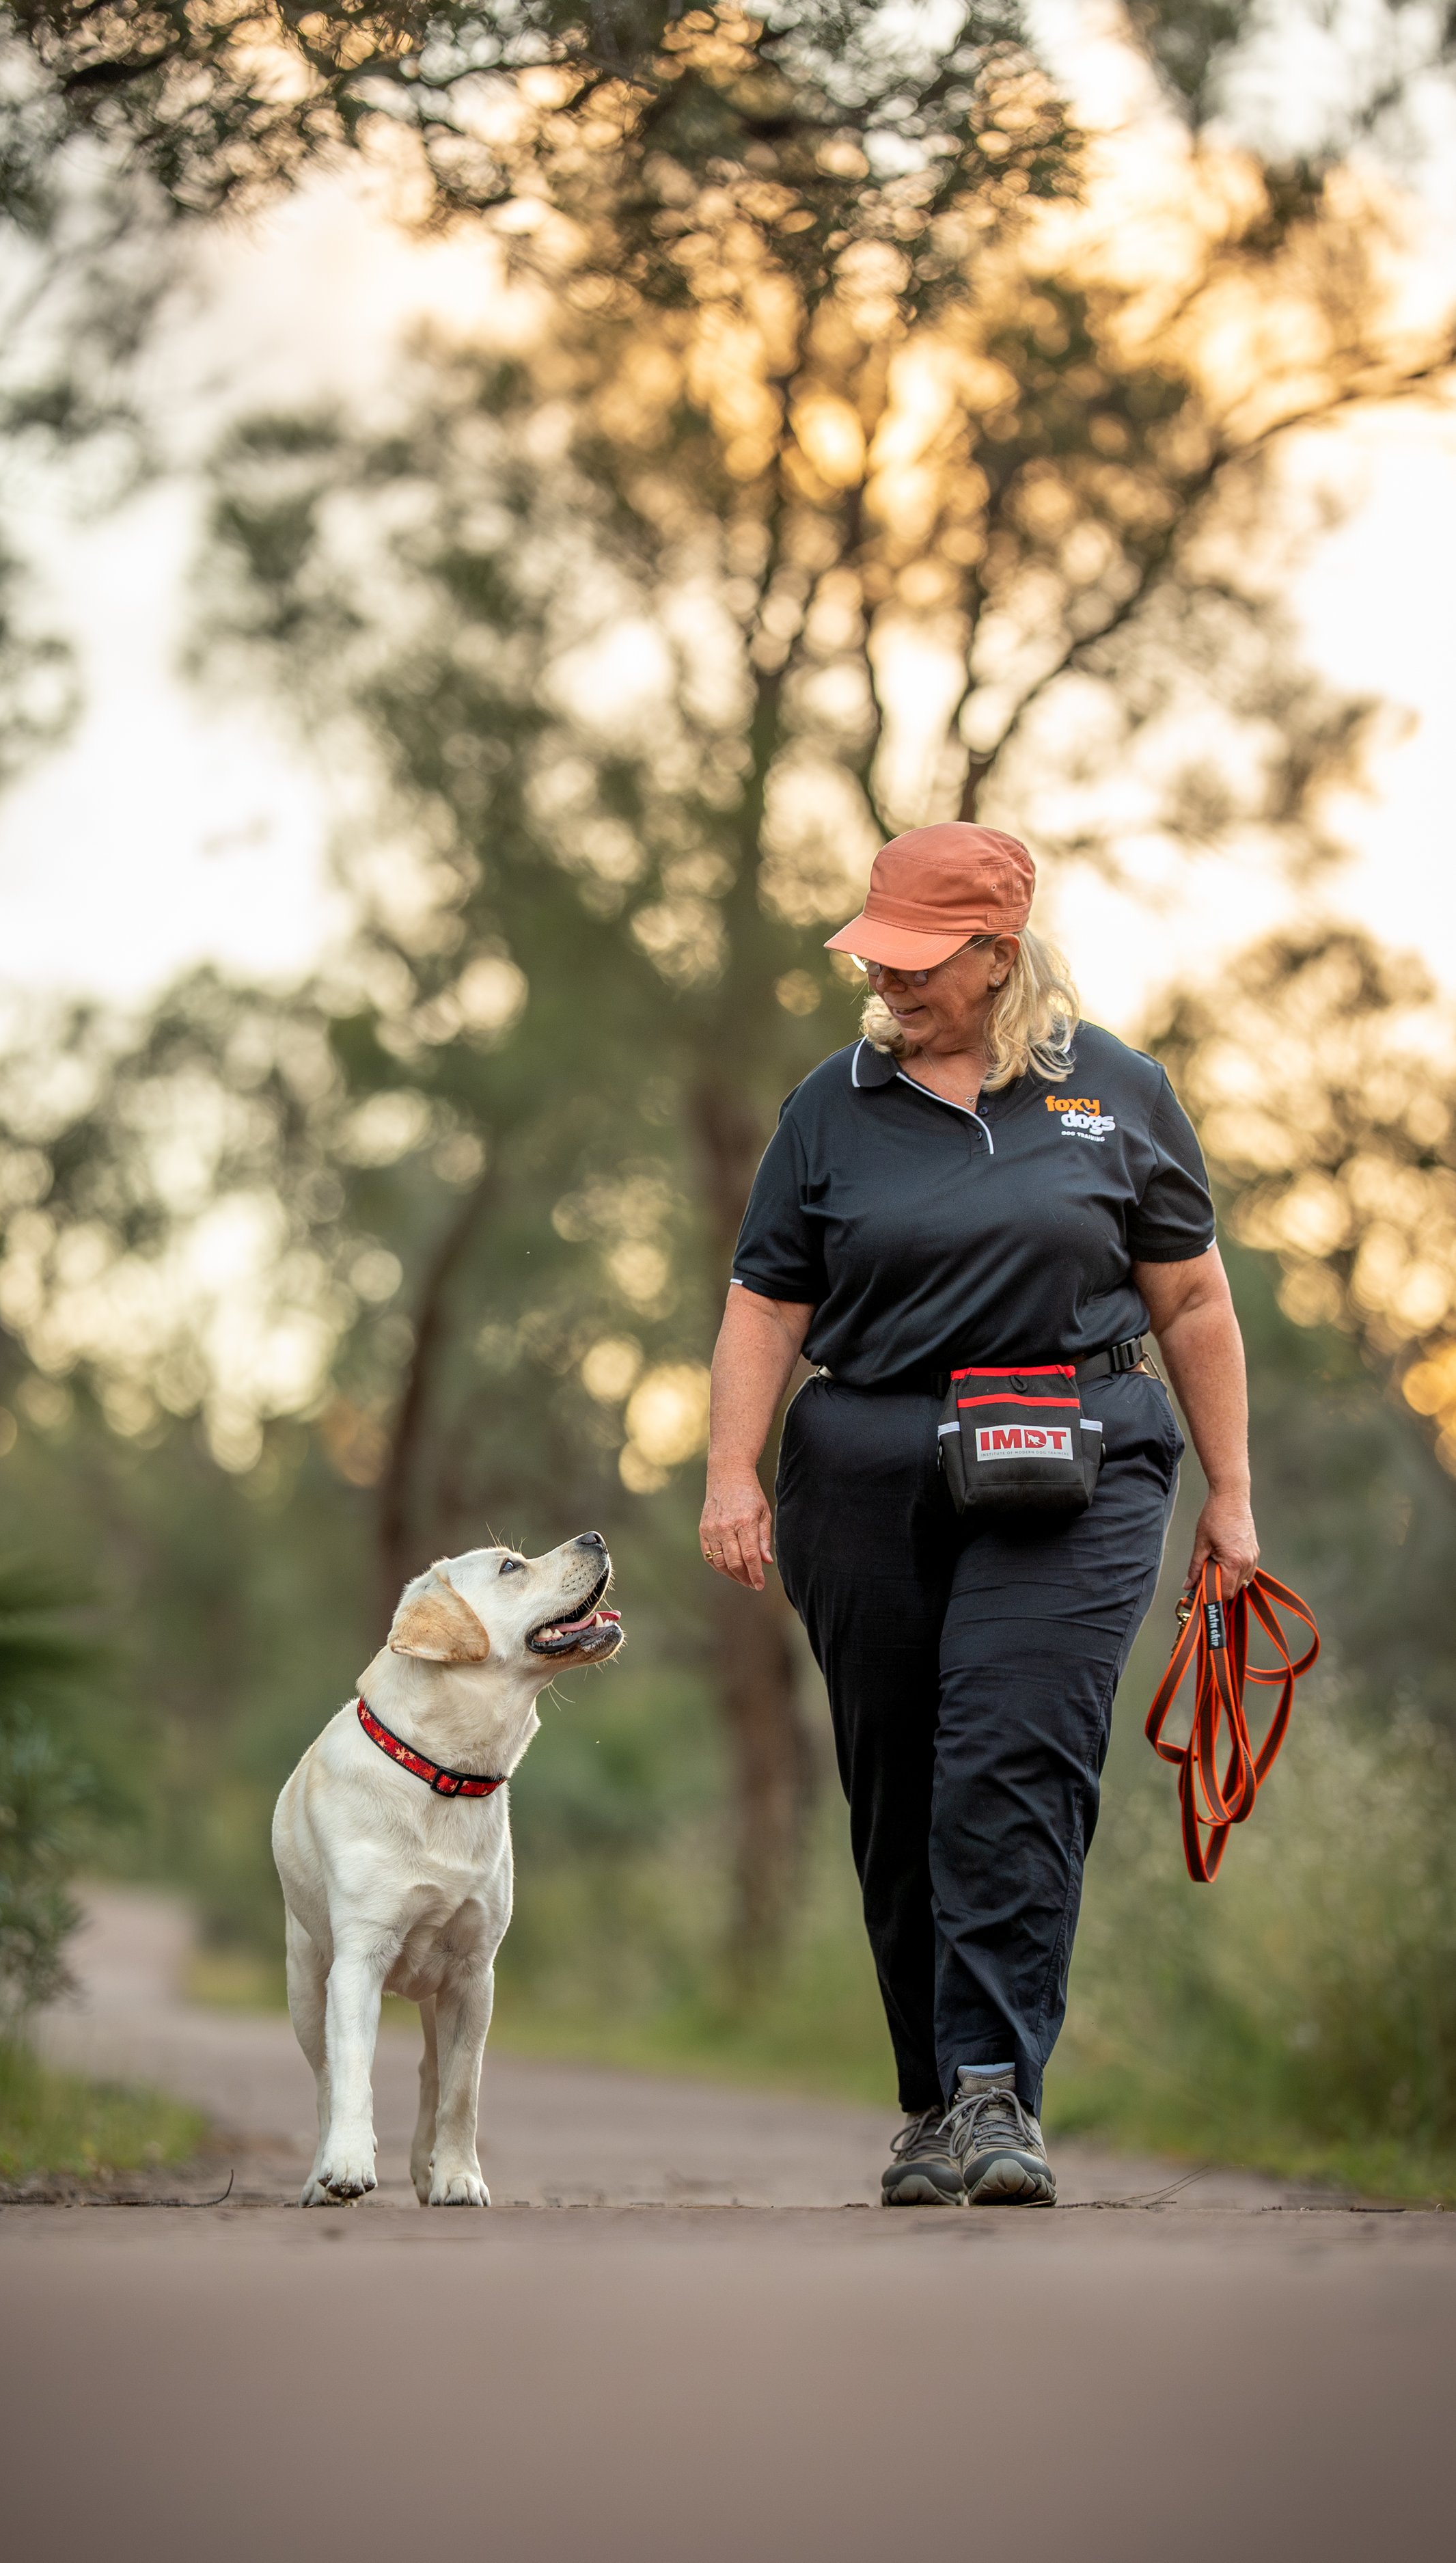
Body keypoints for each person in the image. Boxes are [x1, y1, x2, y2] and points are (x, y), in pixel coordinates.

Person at [699, 822, 1256, 2206]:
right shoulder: (827, 1104)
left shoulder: (1113, 1091)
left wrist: (1230, 1497)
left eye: (913, 963)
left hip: (1072, 1456)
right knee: (899, 1786)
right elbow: (768, 1302)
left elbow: (1187, 1298)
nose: (883, 985)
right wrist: (729, 1472)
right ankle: (931, 2101)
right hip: (870, 1462)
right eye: (872, 958)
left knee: (1009, 1756)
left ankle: (996, 2094)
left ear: (995, 954)